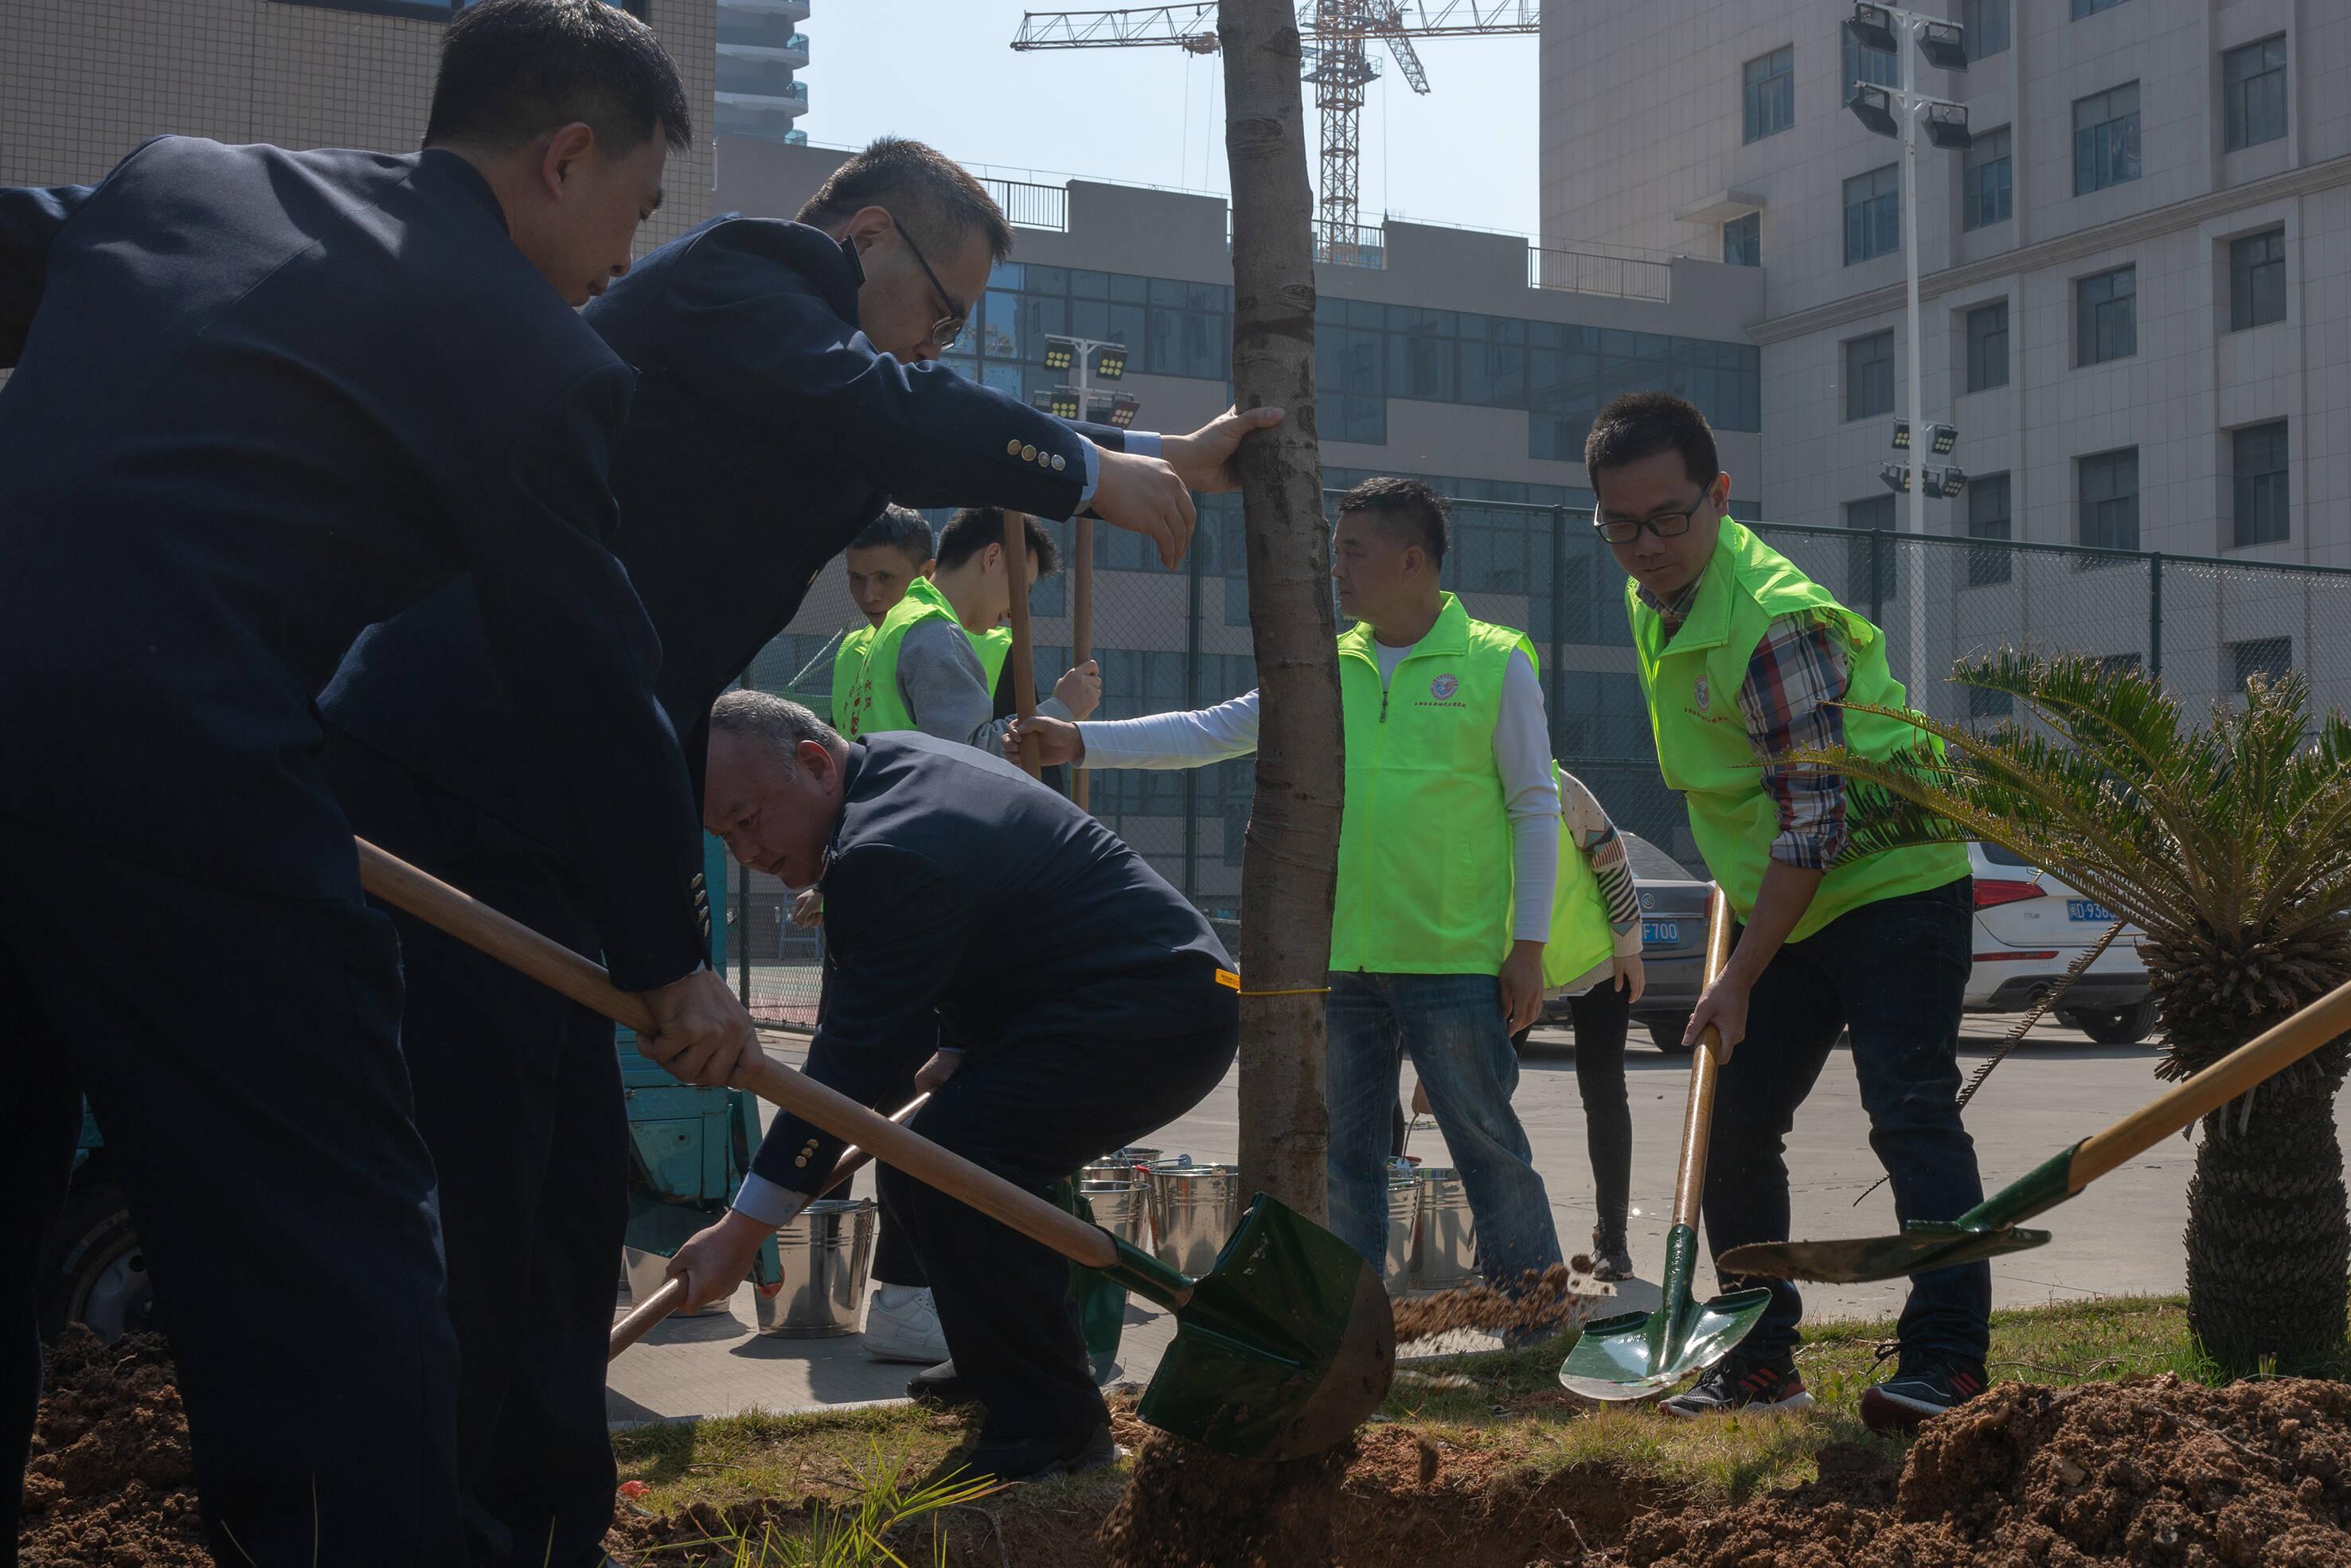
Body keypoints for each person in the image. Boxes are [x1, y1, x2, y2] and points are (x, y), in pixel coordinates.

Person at [314, 135, 1269, 1559]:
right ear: (867, 237)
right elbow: (884, 404)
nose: (941, 342)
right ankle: (422, 1524)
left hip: (547, 808)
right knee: (478, 1192)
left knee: (570, 1196)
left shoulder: (803, 387)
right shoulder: (742, 281)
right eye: (944, 311)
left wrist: (1137, 455)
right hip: (445, 778)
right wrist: (1086, 472)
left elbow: (883, 413)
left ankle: (542, 1522)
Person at [0, 3, 750, 1561]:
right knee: (328, 1261)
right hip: (189, 783)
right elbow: (590, 673)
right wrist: (671, 959)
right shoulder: (531, 354)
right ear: (566, 158)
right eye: (638, 207)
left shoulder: (179, 184)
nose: (626, 258)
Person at [1014, 477, 1590, 1296]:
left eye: (1352, 552)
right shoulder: (1326, 664)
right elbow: (1211, 729)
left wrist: (1525, 948)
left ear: (1411, 558)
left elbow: (1536, 808)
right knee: (1345, 1161)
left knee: (1485, 1142)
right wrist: (1078, 741)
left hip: (1454, 959)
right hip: (1342, 960)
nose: (1336, 571)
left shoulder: (1496, 661)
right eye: (1334, 553)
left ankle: (1533, 1312)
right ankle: (1350, 1329)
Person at [672, 695, 1240, 1481]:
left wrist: (740, 1233)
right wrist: (961, 1043)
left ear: (814, 765)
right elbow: (992, 918)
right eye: (725, 835)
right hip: (1087, 1000)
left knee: (961, 1162)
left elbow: (846, 1070)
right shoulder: (889, 771)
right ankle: (997, 1362)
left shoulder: (887, 845)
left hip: (1156, 1009)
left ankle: (1051, 1425)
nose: (746, 850)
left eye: (748, 818)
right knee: (919, 1157)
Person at [1583, 391, 1985, 1433]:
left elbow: (1815, 824)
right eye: (1620, 524)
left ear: (1716, 495)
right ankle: (1760, 1360)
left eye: (1669, 516)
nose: (1646, 544)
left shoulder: (1771, 621)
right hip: (1788, 895)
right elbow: (1740, 790)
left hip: (1892, 881)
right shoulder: (1656, 598)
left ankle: (1948, 1363)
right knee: (1734, 1118)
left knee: (1909, 1105)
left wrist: (1738, 974)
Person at [823, 504, 1095, 1365]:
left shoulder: (862, 643)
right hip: (927, 900)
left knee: (876, 1092)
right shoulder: (933, 634)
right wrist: (1063, 707)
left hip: (872, 886)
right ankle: (907, 1294)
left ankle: (881, 1289)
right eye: (1018, 596)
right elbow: (969, 762)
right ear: (991, 559)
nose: (1014, 619)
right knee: (926, 1100)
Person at [1506, 771, 1646, 1282]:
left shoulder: (1555, 782)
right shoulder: (1459, 786)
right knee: (1488, 1097)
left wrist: (1629, 949)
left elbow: (1611, 857)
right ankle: (1500, 1235)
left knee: (1605, 1092)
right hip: (1514, 967)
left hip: (1593, 958)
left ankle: (1613, 1239)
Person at [830, 505, 941, 731]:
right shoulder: (850, 650)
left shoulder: (982, 646)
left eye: (885, 577)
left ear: (928, 574)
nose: (869, 596)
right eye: (857, 578)